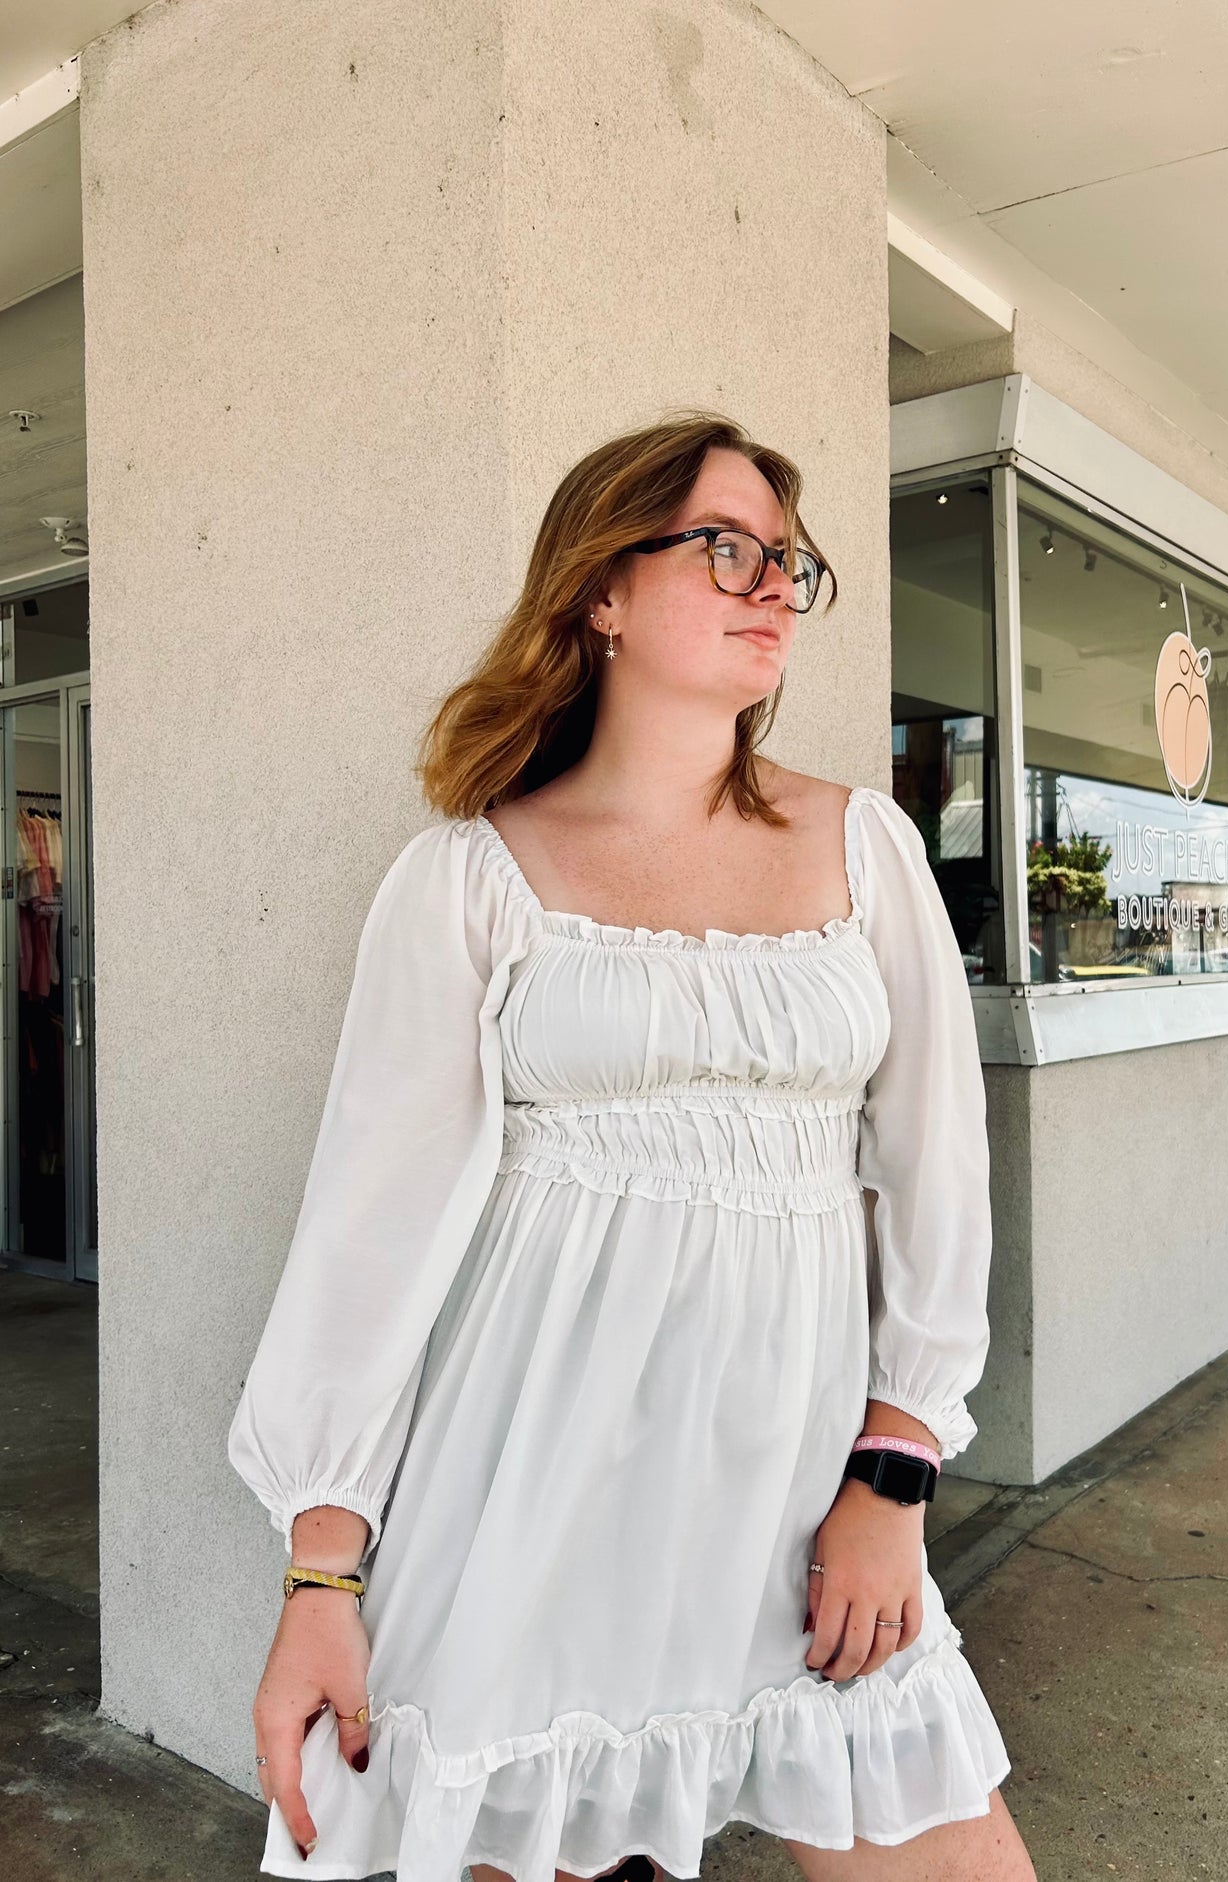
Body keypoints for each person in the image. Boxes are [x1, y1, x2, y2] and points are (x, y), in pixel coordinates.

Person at [229, 411, 1035, 1882]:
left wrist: (897, 1466)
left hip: (803, 1495)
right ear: (600, 587)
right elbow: (368, 1230)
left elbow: (938, 1170)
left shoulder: (864, 846)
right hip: (536, 1492)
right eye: (725, 545)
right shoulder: (469, 875)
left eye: (789, 559)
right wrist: (321, 1572)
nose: (773, 582)